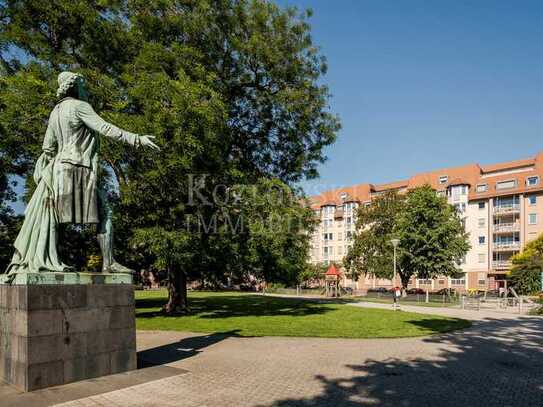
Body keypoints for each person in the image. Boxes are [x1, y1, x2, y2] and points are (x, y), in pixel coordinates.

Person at [5, 71, 159, 275]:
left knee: (58, 219)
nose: (85, 89)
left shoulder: (55, 112)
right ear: (75, 86)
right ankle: (109, 262)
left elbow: (48, 148)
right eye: (83, 85)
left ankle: (52, 259)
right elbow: (105, 127)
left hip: (58, 170)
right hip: (78, 167)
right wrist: (136, 139)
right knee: (105, 211)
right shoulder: (80, 107)